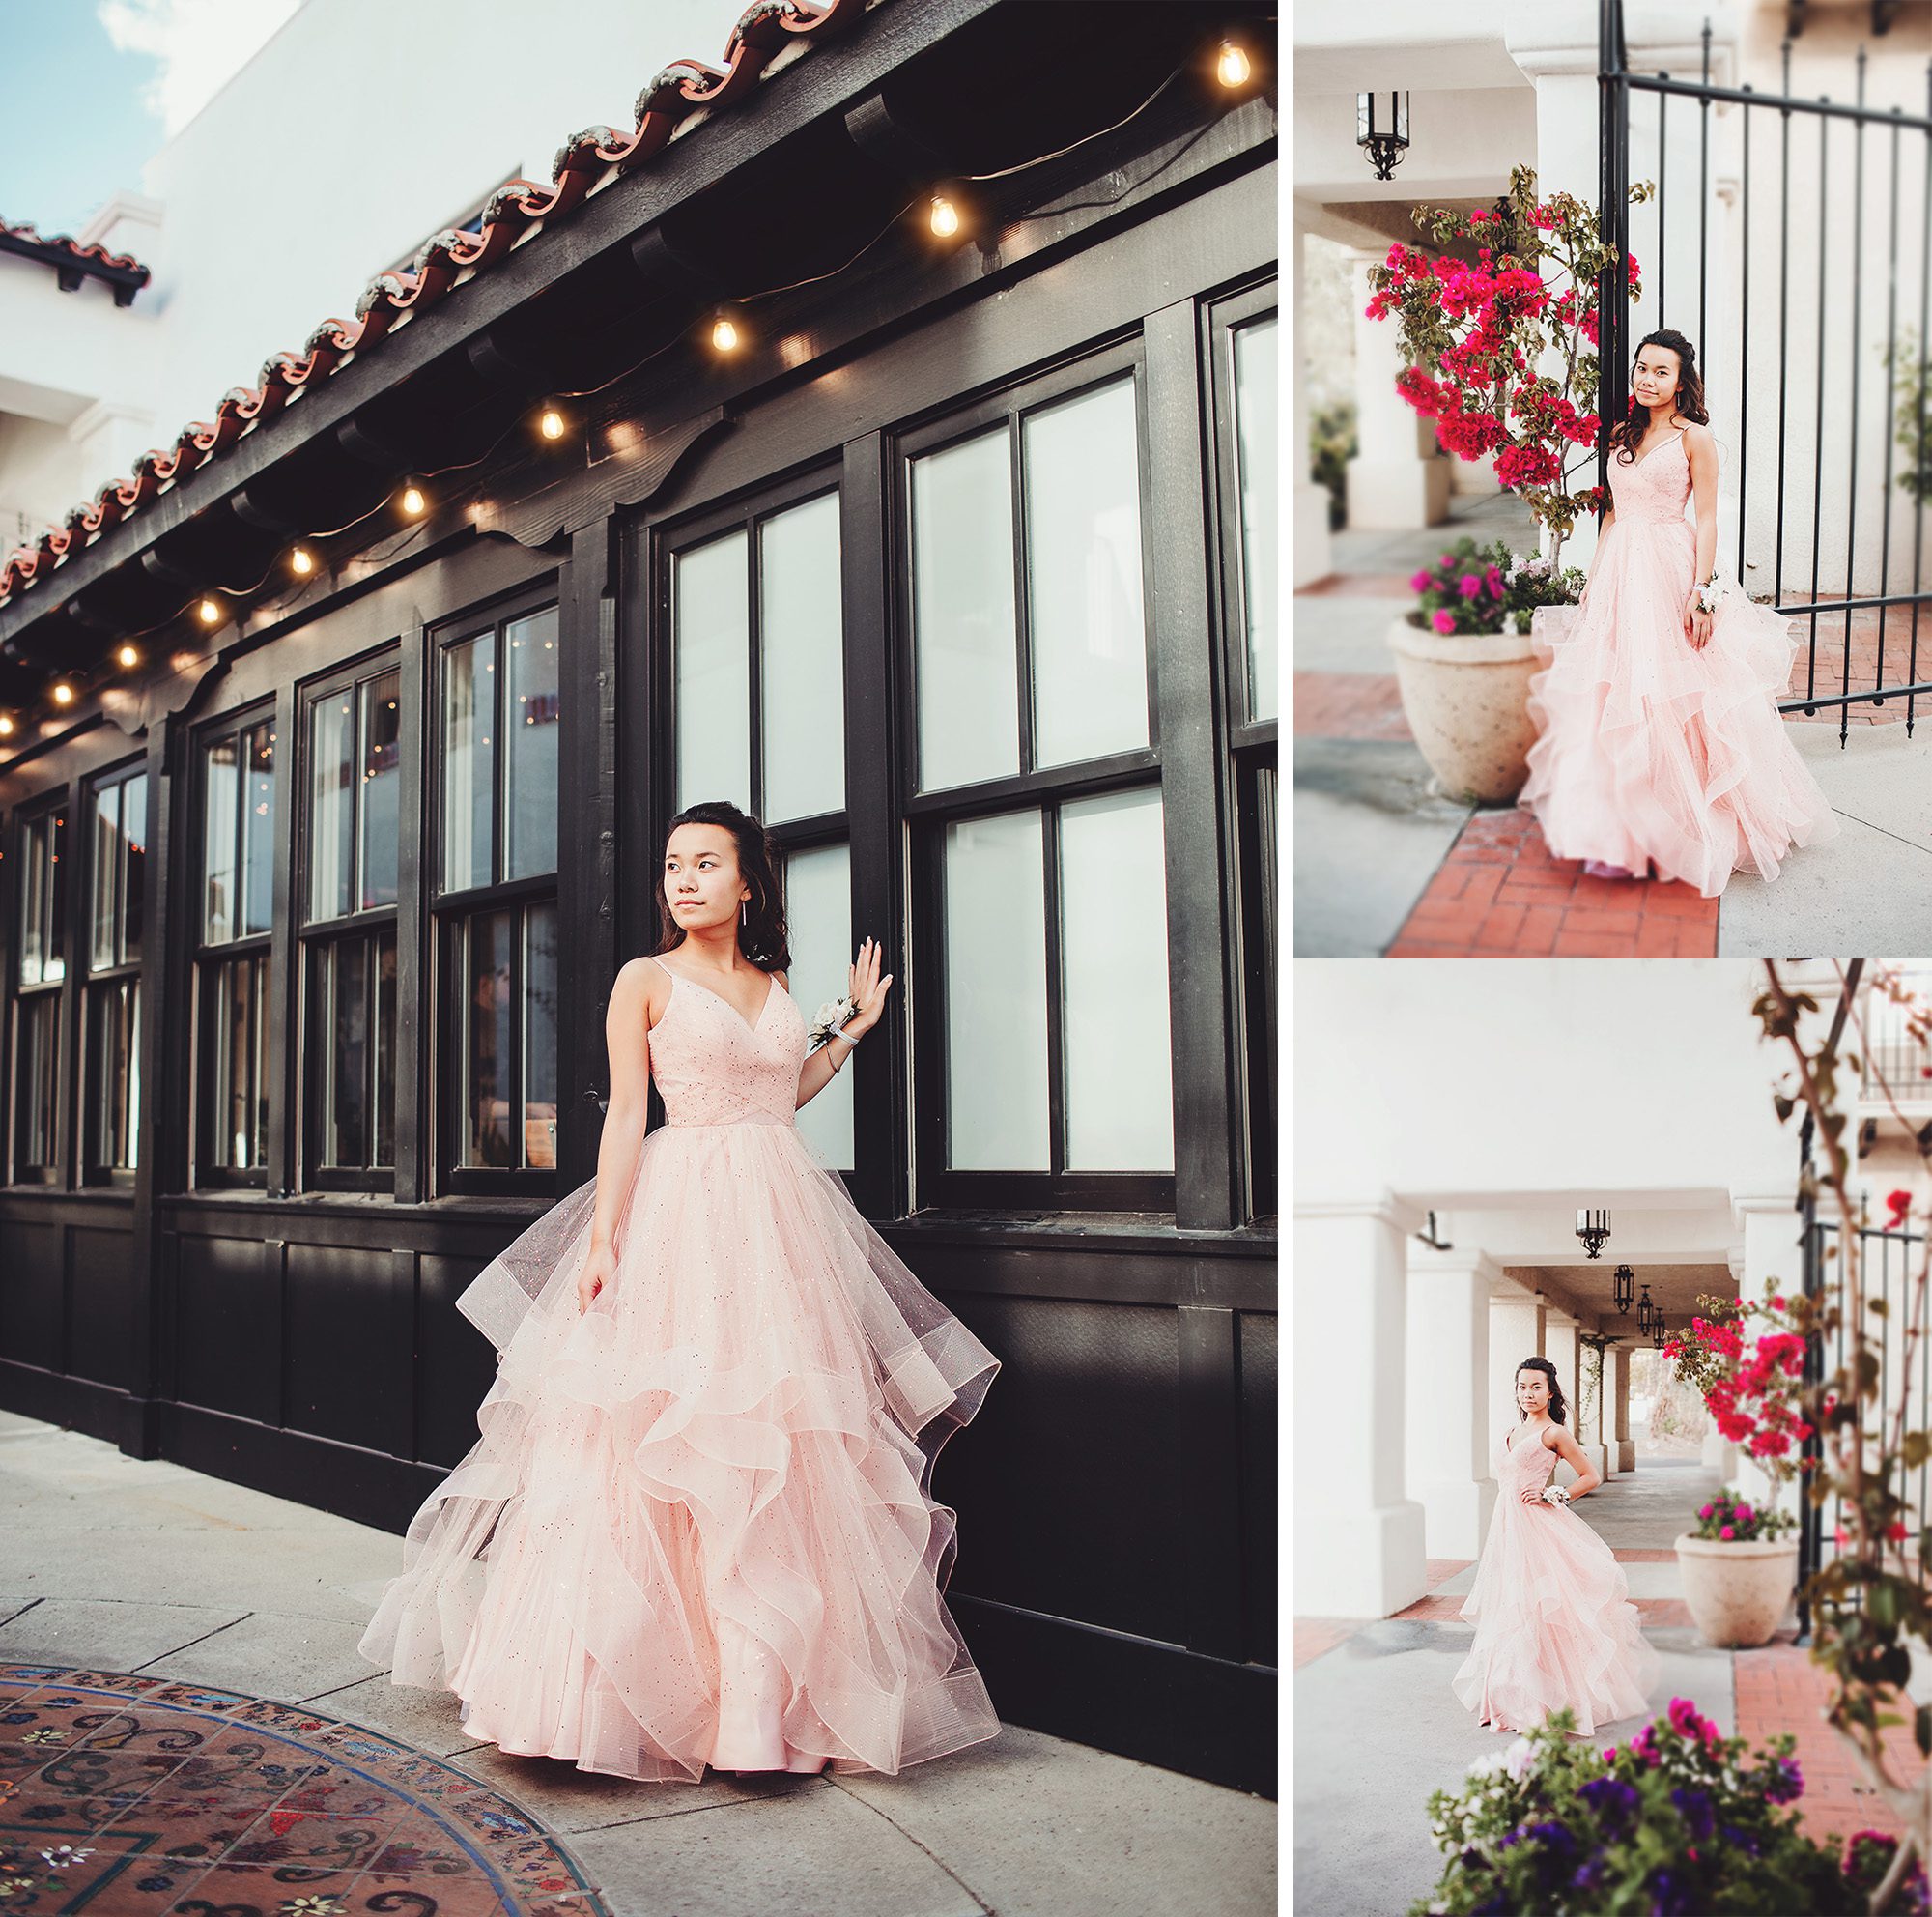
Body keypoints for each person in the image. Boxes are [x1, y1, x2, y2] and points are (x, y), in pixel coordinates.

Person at [356, 800, 1003, 1783]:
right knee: (658, 1439)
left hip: (778, 1227)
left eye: (706, 863)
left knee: (773, 1450)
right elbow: (626, 1117)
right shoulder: (643, 979)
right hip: (679, 1218)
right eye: (672, 867)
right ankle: (606, 1700)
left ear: (748, 882)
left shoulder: (772, 979)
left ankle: (758, 1714)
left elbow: (771, 1098)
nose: (685, 880)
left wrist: (848, 1033)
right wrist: (605, 1235)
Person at [1518, 327, 1838, 896]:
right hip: (1621, 568)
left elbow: (1709, 518)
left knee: (1679, 691)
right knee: (1616, 692)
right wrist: (1597, 577)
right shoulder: (1620, 433)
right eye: (1642, 367)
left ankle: (1692, 824)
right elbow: (1613, 512)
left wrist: (1702, 590)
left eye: (1661, 371)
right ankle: (1619, 833)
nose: (1647, 378)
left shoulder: (1697, 439)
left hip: (1670, 565)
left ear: (1681, 380)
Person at [1451, 1357, 1659, 1737]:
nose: (1528, 1394)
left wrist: (1553, 1494)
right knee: (1511, 1606)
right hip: (1508, 1528)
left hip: (1538, 1527)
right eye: (1522, 1387)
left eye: (1535, 1387)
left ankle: (1547, 1705)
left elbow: (1590, 1475)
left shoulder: (1554, 1433)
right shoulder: (1511, 1430)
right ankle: (1507, 1698)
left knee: (1542, 1608)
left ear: (1550, 1391)